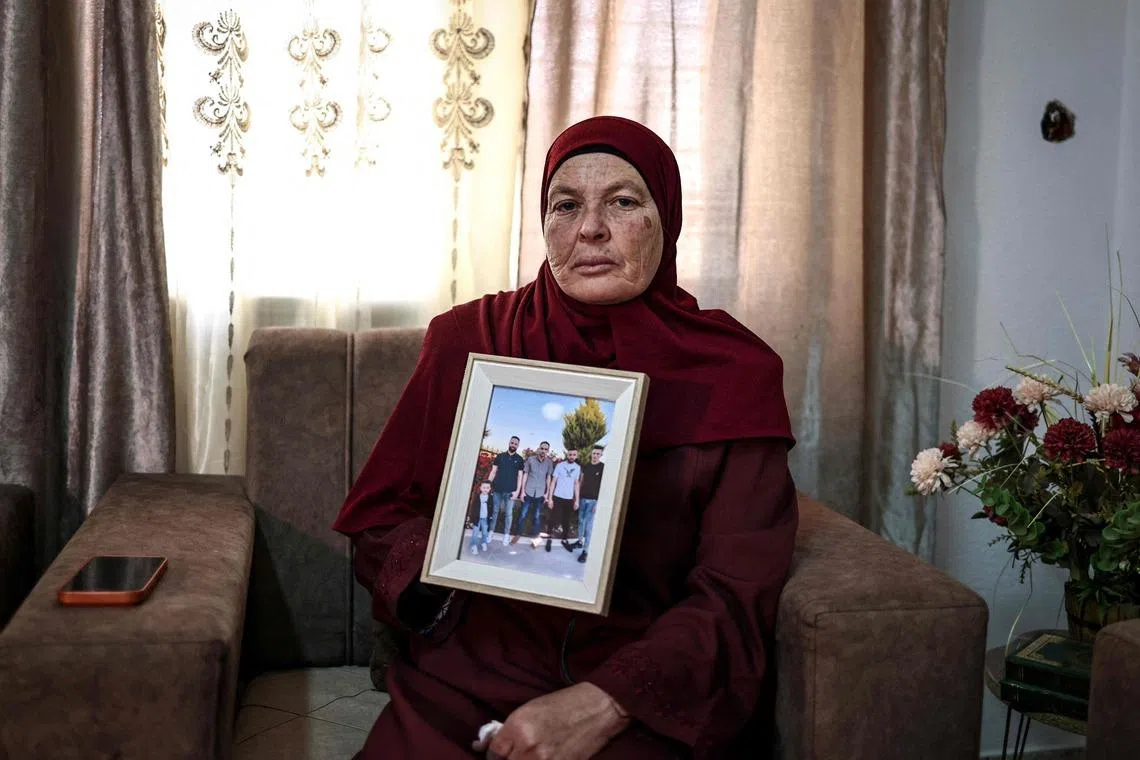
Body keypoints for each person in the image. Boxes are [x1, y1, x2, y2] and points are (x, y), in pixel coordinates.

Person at [333, 115, 798, 759]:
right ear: (544, 223)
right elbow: (381, 515)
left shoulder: (735, 372)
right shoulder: (471, 339)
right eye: (566, 205)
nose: (591, 230)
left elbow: (736, 590)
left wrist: (606, 703)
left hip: (640, 693)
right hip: (466, 676)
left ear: (667, 219)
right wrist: (444, 586)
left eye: (624, 202)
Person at [534, 448, 581, 552]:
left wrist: (577, 500)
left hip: (569, 499)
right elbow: (553, 482)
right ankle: (549, 539)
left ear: (576, 456)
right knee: (553, 519)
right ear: (567, 455)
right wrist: (550, 498)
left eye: (574, 455)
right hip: (557, 497)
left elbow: (576, 484)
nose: (571, 456)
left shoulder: (577, 468)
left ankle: (564, 540)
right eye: (570, 454)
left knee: (566, 521)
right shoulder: (560, 466)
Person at [568, 445, 605, 562]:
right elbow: (581, 482)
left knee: (588, 527)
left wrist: (598, 504)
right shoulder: (586, 466)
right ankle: (579, 542)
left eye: (598, 454)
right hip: (583, 499)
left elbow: (604, 487)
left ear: (601, 455)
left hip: (593, 501)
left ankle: (585, 551)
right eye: (594, 453)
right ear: (591, 454)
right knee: (581, 522)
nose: (595, 456)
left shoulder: (603, 467)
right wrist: (577, 498)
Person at [488, 435, 526, 544]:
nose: (513, 445)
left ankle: (506, 534)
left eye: (515, 444)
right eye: (512, 443)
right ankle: (491, 532)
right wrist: (488, 484)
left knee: (509, 514)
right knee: (495, 511)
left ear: (518, 445)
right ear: (509, 443)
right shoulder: (500, 456)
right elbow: (493, 472)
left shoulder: (519, 459)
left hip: (511, 492)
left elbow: (520, 476)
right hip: (497, 490)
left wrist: (517, 492)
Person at [516, 441, 554, 542]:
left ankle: (534, 537)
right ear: (539, 449)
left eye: (546, 449)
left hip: (540, 493)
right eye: (542, 448)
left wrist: (547, 493)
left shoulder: (549, 462)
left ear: (548, 451)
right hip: (528, 491)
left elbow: (548, 478)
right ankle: (518, 534)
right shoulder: (530, 459)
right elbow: (525, 475)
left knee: (537, 516)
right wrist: (522, 491)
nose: (543, 451)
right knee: (523, 514)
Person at [468, 481, 493, 554]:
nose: (485, 489)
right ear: (480, 488)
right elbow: (473, 508)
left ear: (490, 489)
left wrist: (490, 517)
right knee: (475, 533)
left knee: (485, 532)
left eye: (487, 488)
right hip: (477, 518)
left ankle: (484, 542)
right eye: (484, 487)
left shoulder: (490, 497)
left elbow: (491, 508)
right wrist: (471, 520)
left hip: (485, 518)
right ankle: (474, 545)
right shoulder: (477, 497)